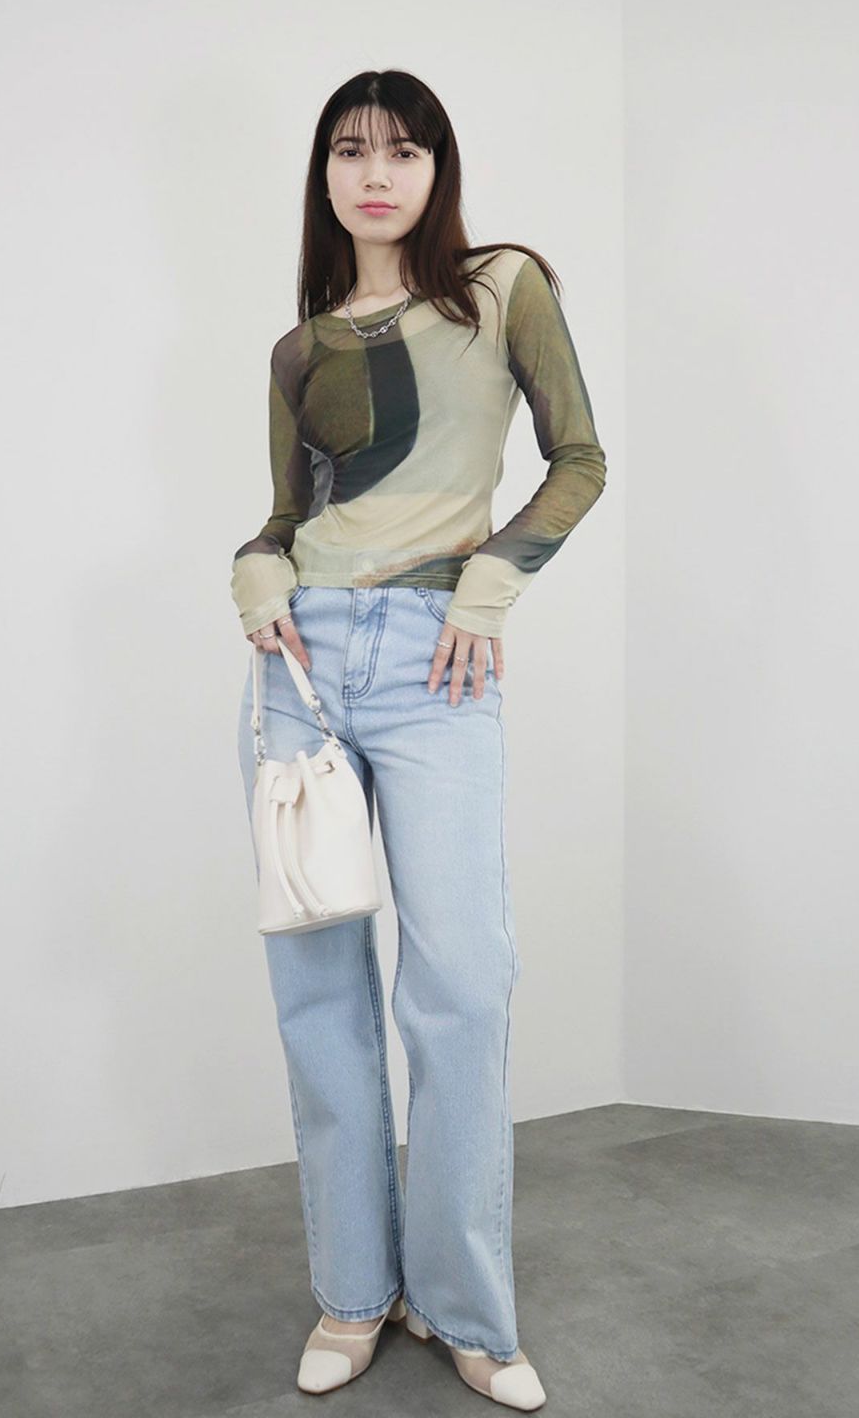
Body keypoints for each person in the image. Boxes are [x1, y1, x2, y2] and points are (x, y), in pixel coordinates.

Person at [232, 69, 607, 1411]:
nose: (376, 173)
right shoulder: (302, 351)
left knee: (461, 987)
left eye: (403, 150)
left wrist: (491, 585)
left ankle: (464, 1309)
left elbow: (578, 460)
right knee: (320, 997)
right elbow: (284, 521)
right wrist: (254, 576)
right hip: (299, 668)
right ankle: (352, 1294)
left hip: (440, 660)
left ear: (440, 167)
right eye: (350, 150)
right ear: (324, 174)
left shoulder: (502, 288)